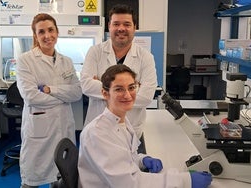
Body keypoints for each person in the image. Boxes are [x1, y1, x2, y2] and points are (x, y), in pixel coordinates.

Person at [78, 64, 212, 188]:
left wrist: (142, 160)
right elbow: (128, 184)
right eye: (119, 89)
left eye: (131, 87)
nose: (127, 95)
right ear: (105, 93)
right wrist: (184, 181)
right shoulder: (98, 133)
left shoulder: (121, 121)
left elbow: (123, 158)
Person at [16, 13, 82, 188]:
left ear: (57, 32)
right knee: (31, 179)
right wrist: (63, 97)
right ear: (36, 36)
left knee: (61, 177)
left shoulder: (66, 61)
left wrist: (50, 90)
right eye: (41, 32)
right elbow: (31, 96)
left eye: (51, 30)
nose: (47, 36)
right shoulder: (25, 60)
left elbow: (76, 93)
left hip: (63, 126)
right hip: (39, 130)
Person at [80, 4, 157, 140]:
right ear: (109, 26)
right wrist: (132, 89)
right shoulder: (95, 52)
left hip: (129, 130)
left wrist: (103, 86)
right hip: (98, 130)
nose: (121, 28)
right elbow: (86, 85)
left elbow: (146, 97)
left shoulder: (145, 57)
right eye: (116, 24)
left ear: (134, 27)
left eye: (127, 24)